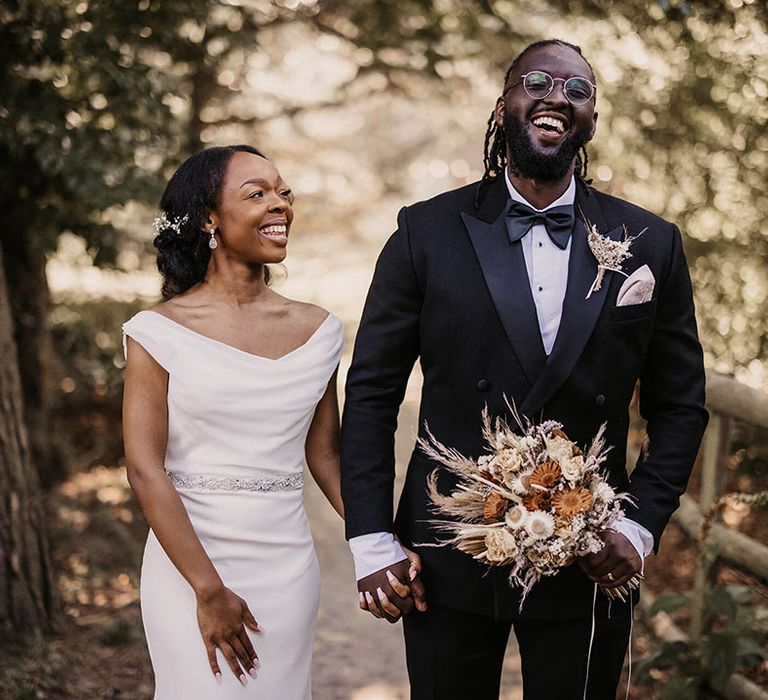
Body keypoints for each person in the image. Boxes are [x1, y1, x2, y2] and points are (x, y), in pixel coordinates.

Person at [340, 40, 708, 699]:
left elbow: (680, 405)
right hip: (447, 550)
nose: (557, 97)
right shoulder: (425, 232)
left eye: (578, 90)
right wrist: (371, 539)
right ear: (505, 102)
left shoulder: (650, 243)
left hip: (592, 556)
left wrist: (638, 525)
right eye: (537, 81)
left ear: (591, 120)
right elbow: (370, 393)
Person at [122, 144, 421, 698]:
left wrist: (382, 543)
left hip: (286, 567)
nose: (279, 204)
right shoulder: (156, 331)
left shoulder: (318, 330)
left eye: (283, 191)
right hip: (188, 566)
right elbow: (144, 468)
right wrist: (208, 589)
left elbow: (325, 454)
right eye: (255, 193)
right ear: (210, 218)